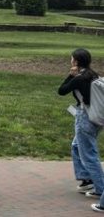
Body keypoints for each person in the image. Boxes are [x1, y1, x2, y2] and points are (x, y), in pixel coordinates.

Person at [59, 48, 104, 212]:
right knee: (76, 146)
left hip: (85, 118)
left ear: (76, 62)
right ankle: (86, 178)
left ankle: (100, 188)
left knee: (89, 154)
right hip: (96, 118)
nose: (71, 61)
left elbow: (61, 91)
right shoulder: (94, 74)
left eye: (72, 59)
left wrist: (70, 75)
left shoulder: (79, 78)